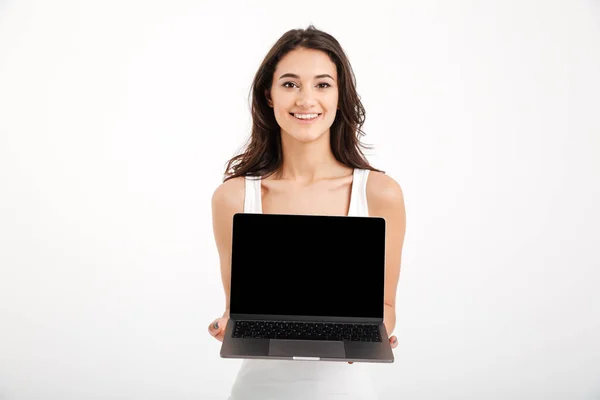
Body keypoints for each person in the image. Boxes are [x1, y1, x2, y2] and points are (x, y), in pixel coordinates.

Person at [207, 25, 406, 400]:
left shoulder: (380, 194)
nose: (306, 100)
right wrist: (227, 323)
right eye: (290, 84)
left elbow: (386, 305)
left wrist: (372, 333)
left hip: (345, 391)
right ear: (269, 95)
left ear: (340, 95)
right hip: (258, 390)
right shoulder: (234, 198)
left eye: (322, 84)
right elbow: (240, 307)